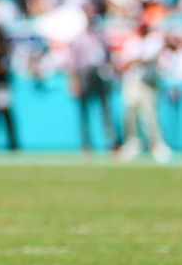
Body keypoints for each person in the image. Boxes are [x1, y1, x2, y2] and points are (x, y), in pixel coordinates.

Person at [115, 20, 170, 162]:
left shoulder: (153, 41)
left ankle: (156, 145)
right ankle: (132, 144)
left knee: (149, 115)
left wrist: (136, 60)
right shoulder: (132, 41)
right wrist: (136, 60)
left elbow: (149, 58)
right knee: (130, 111)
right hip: (132, 81)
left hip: (147, 82)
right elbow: (125, 61)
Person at [65, 13, 117, 152]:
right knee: (83, 112)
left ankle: (111, 142)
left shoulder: (101, 37)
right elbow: (72, 63)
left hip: (100, 73)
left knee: (105, 110)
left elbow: (108, 57)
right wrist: (74, 81)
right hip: (84, 74)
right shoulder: (78, 39)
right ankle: (86, 143)